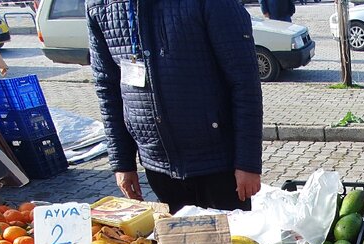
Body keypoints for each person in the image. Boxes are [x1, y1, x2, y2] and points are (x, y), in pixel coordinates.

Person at [87, 0, 263, 213]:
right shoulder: (100, 6)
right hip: (157, 164)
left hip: (219, 164)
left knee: (233, 243)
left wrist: (247, 163)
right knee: (178, 242)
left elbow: (245, 83)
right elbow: (108, 88)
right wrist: (122, 162)